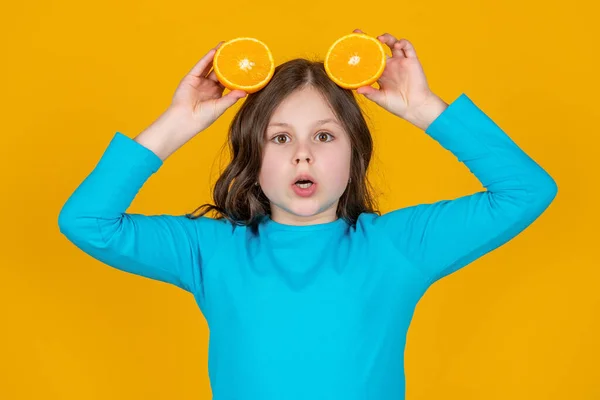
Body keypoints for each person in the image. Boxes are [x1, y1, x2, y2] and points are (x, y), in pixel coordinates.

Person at [58, 30, 558, 400]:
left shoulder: (396, 246)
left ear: (353, 156)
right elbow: (87, 222)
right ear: (253, 160)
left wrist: (422, 106)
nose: (303, 155)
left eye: (323, 136)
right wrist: (179, 122)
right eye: (280, 138)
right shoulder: (210, 251)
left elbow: (526, 190)